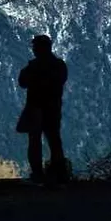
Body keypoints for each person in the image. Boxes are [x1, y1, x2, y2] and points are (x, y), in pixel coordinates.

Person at [17, 34, 68, 183]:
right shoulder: (59, 65)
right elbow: (60, 82)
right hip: (53, 108)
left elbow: (22, 82)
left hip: (36, 107)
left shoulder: (33, 66)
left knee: (35, 141)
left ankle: (38, 174)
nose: (33, 50)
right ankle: (58, 173)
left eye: (35, 47)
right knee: (54, 140)